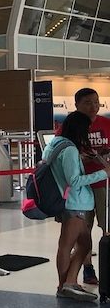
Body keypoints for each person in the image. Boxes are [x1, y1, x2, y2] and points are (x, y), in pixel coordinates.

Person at [44, 111, 110, 301]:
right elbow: (73, 179)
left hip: (69, 201)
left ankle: (68, 283)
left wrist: (81, 160)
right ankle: (64, 285)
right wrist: (104, 173)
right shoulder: (70, 149)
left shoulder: (56, 144)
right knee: (68, 244)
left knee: (83, 243)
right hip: (74, 202)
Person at [68, 88, 110, 285]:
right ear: (76, 105)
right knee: (83, 231)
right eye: (87, 102)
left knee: (107, 227)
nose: (93, 106)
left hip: (104, 184)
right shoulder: (71, 127)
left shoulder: (105, 124)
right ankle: (87, 269)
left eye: (96, 102)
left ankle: (107, 268)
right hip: (81, 187)